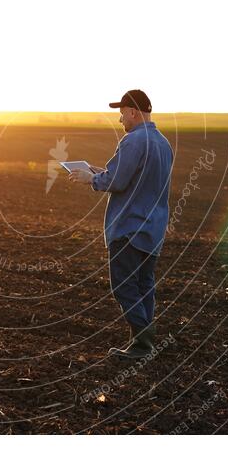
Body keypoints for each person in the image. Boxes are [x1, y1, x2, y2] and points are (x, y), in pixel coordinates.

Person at [69, 89, 174, 359]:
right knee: (143, 285)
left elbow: (117, 181)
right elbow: (134, 178)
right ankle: (143, 346)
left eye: (121, 114)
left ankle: (144, 338)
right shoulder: (163, 143)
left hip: (129, 226)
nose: (119, 121)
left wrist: (89, 179)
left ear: (132, 112)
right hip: (153, 227)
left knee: (123, 285)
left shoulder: (133, 141)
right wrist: (96, 170)